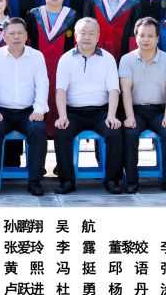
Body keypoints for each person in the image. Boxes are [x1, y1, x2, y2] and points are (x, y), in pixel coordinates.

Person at [53, 18, 124, 194]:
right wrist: (62, 116)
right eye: (82, 33)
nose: (86, 37)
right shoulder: (66, 59)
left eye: (91, 33)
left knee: (114, 132)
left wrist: (111, 115)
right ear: (76, 36)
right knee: (61, 132)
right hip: (73, 112)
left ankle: (112, 179)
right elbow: (60, 90)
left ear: (98, 36)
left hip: (101, 112)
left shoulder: (107, 58)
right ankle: (67, 180)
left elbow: (113, 90)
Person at [0, 18, 49, 196]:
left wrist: (39, 109)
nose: (16, 37)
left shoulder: (36, 56)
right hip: (1, 111)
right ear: (4, 36)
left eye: (20, 33)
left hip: (28, 112)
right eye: (11, 33)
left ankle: (35, 181)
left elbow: (42, 85)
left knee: (39, 130)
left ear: (26, 35)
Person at [117, 18, 166, 193]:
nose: (146, 39)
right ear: (136, 37)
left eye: (150, 36)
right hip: (135, 110)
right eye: (142, 35)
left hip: (159, 110)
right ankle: (131, 181)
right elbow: (125, 91)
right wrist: (129, 117)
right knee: (130, 133)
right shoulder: (127, 59)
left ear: (157, 38)